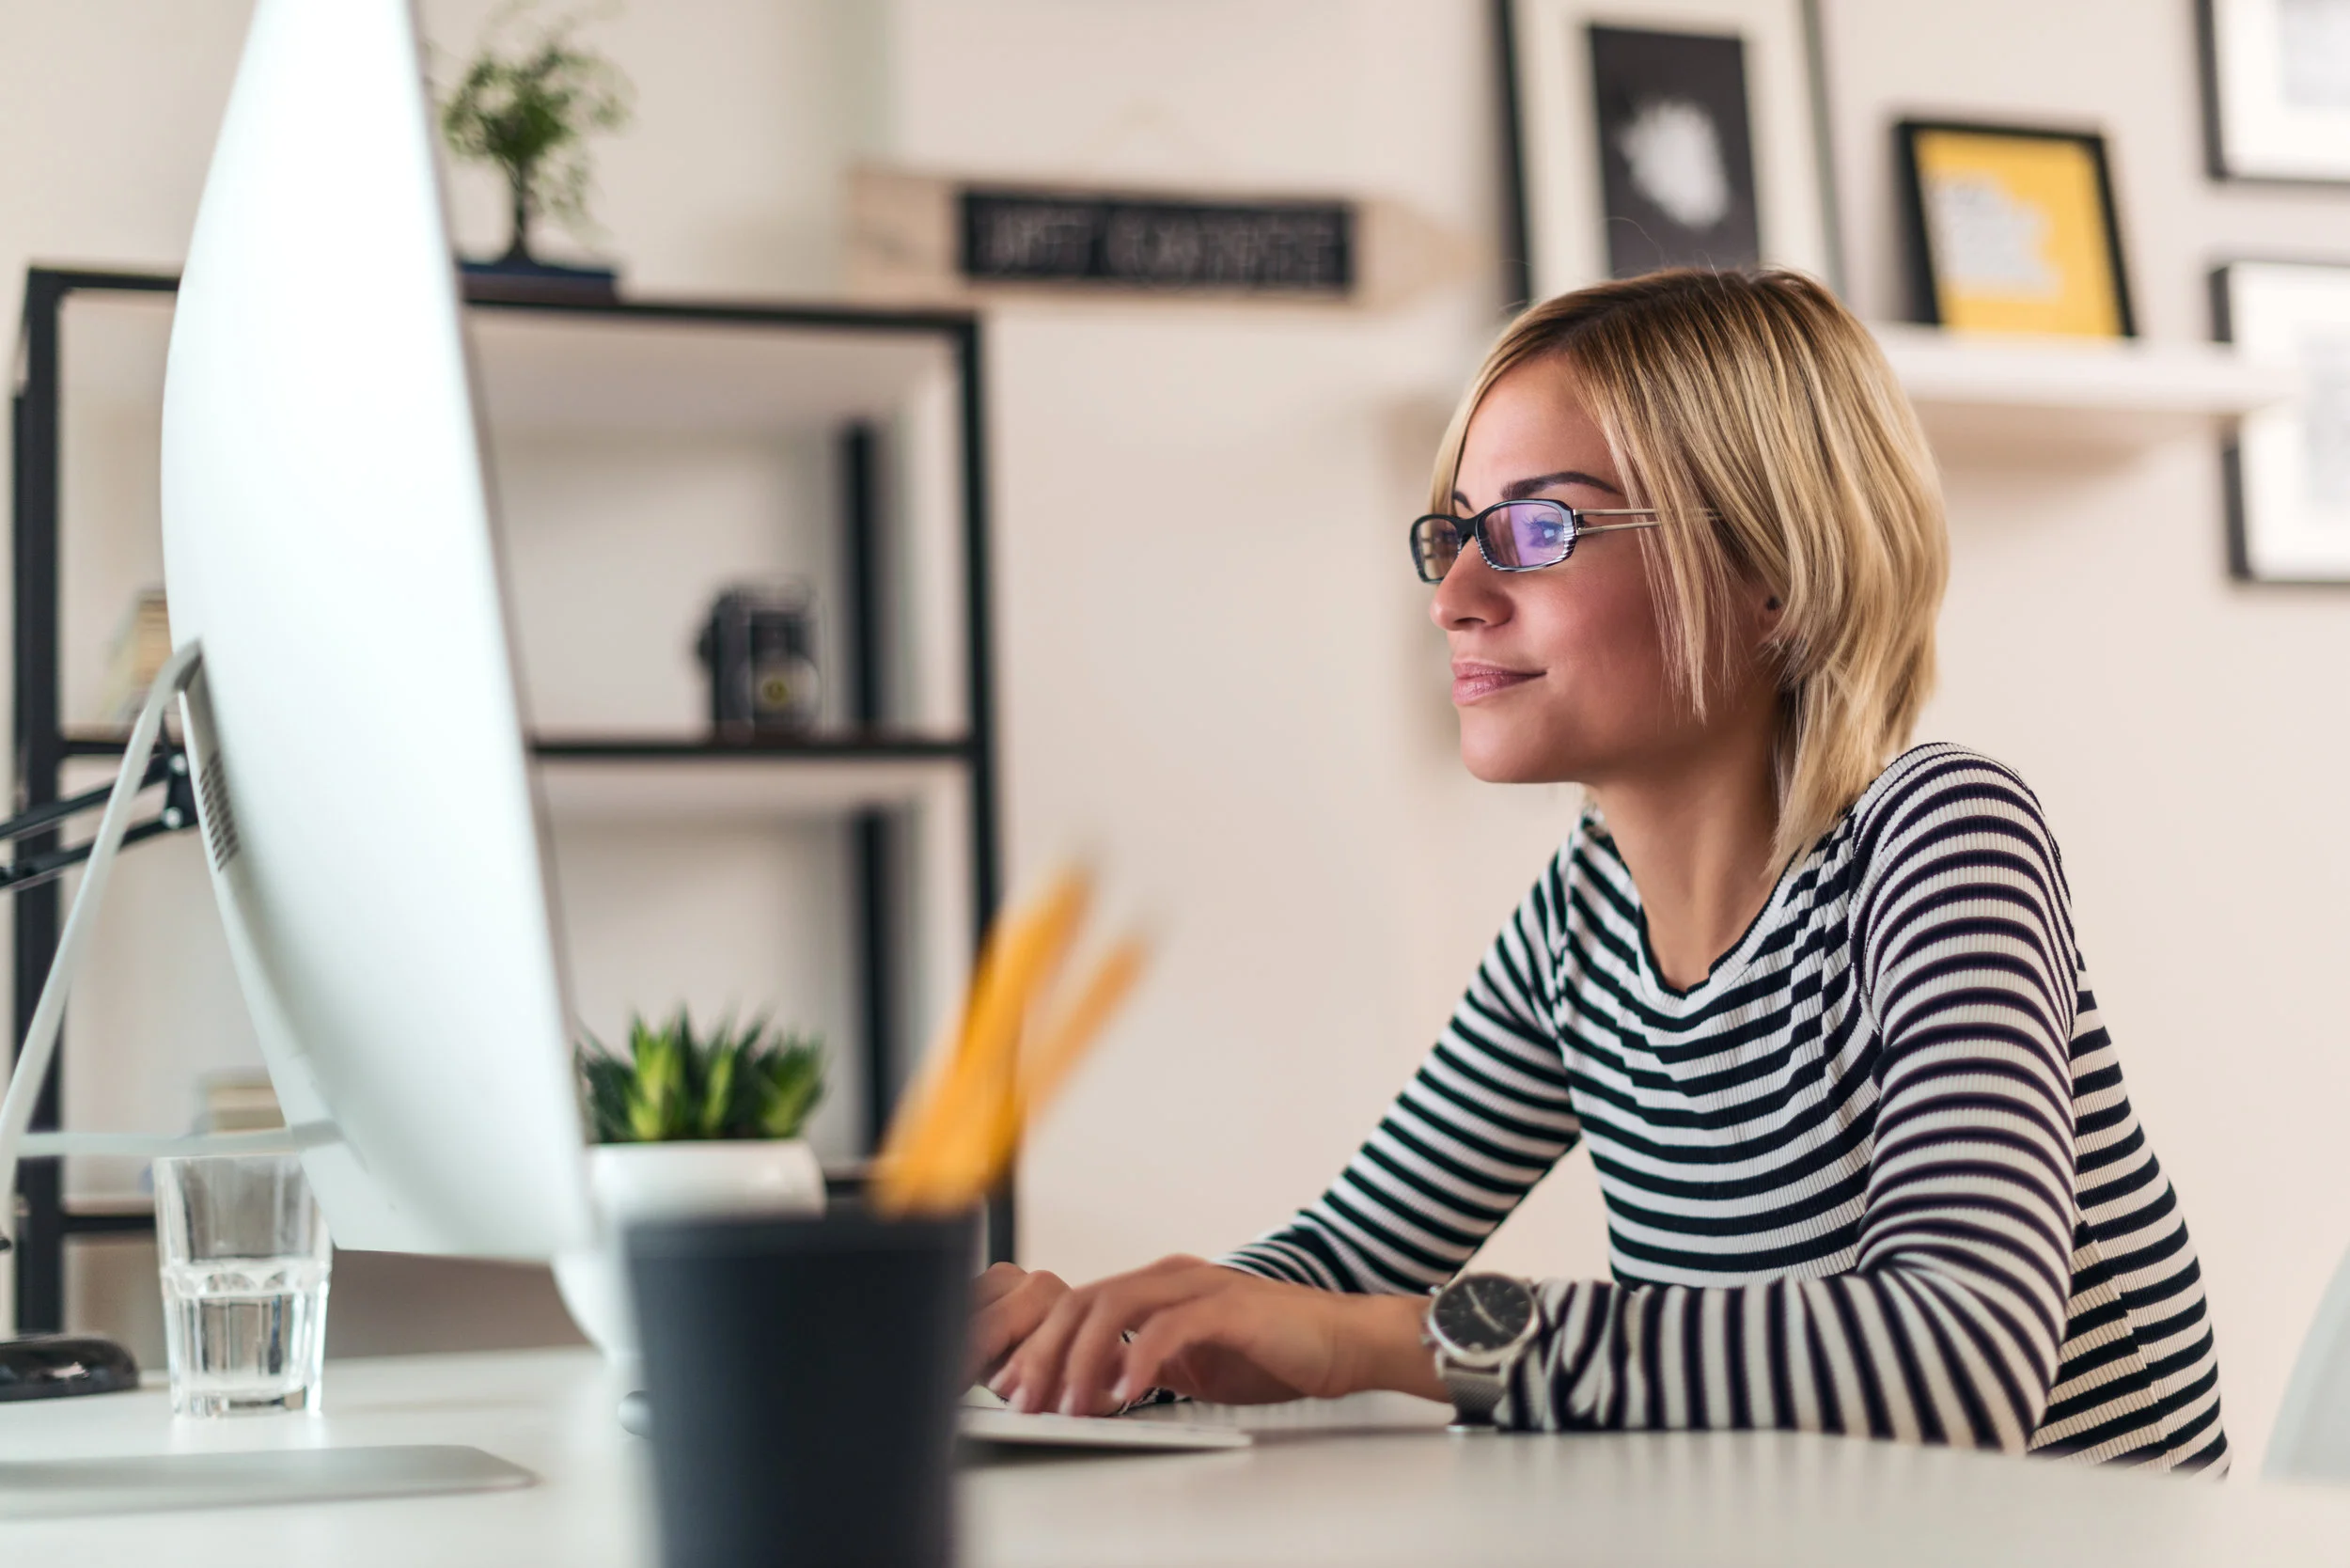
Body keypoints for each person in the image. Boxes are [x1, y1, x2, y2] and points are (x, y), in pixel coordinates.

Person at [970, 267, 2228, 1471]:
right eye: (1454, 534)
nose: (1454, 595)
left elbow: (1959, 1356)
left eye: (1533, 528)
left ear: (1774, 571)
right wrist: (1100, 1339)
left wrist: (1391, 1343)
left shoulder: (1939, 838)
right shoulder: (1585, 919)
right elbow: (1349, 1262)